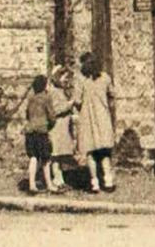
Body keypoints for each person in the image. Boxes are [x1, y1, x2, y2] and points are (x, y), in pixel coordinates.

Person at [74, 51, 117, 193]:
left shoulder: (81, 81)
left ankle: (94, 183)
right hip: (103, 117)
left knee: (90, 151)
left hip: (87, 118)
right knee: (104, 151)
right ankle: (108, 180)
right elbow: (113, 94)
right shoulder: (105, 77)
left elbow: (77, 100)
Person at [45, 64, 77, 193]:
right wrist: (70, 104)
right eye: (64, 78)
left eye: (67, 79)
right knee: (55, 155)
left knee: (58, 156)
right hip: (56, 128)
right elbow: (56, 110)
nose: (66, 81)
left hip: (62, 128)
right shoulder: (53, 92)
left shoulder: (60, 91)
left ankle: (60, 179)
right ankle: (57, 180)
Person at [22, 75, 56, 194]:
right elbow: (52, 116)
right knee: (46, 159)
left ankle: (32, 184)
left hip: (30, 131)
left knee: (33, 157)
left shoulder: (31, 98)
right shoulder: (47, 98)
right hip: (41, 131)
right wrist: (50, 125)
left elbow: (27, 114)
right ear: (44, 86)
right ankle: (49, 184)